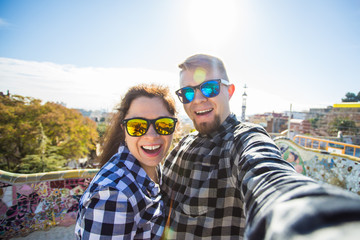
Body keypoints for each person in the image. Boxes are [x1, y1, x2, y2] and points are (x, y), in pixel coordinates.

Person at [161, 54, 360, 239]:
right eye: (187, 92)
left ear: (229, 91)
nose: (197, 99)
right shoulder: (184, 144)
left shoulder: (242, 138)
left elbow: (269, 175)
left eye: (209, 88)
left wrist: (312, 219)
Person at [75, 84, 178, 239]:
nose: (151, 135)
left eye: (163, 124)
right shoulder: (113, 196)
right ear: (123, 129)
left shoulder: (155, 171)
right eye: (137, 126)